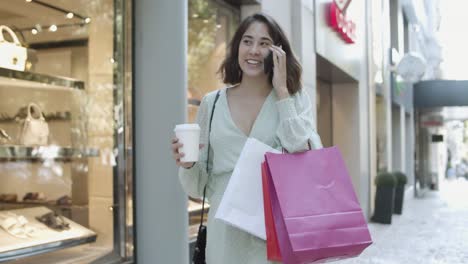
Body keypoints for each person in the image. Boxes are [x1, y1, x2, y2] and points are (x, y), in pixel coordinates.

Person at [171, 13, 323, 264]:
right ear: (237, 48)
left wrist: (282, 91)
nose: (254, 50)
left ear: (277, 52)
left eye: (264, 43)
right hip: (224, 239)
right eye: (247, 41)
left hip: (277, 234)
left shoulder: (295, 99)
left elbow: (302, 152)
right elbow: (198, 187)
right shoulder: (212, 103)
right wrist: (187, 164)